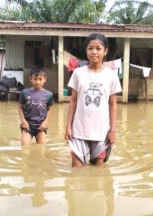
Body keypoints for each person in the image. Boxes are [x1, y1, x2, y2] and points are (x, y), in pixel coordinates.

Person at [65, 33, 122, 167]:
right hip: (79, 130)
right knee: (76, 172)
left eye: (98, 48)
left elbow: (113, 104)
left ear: (105, 51)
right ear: (86, 51)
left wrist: (112, 130)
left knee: (98, 175)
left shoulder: (111, 75)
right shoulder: (78, 73)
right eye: (90, 48)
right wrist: (68, 127)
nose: (94, 52)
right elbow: (73, 101)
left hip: (101, 131)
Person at [19, 65, 53, 145]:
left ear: (45, 79)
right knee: (25, 148)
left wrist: (46, 122)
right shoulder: (24, 93)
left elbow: (49, 109)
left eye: (40, 79)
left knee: (42, 149)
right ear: (30, 79)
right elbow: (20, 108)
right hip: (27, 125)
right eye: (35, 79)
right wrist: (23, 121)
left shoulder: (49, 94)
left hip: (41, 125)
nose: (37, 82)